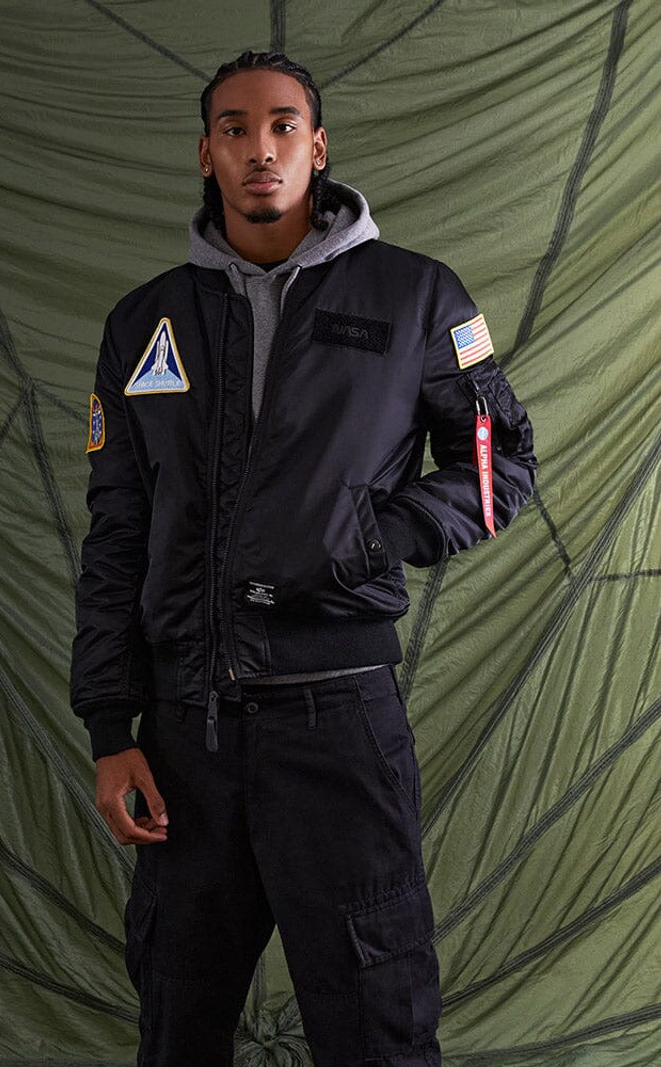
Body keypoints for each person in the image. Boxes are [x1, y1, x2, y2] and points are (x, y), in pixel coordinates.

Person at [70, 50, 536, 1067]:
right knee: (177, 1023)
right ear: (204, 153)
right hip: (185, 737)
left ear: (318, 147)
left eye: (283, 125)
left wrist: (373, 535)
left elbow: (497, 465)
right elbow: (115, 534)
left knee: (375, 1022)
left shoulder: (417, 297)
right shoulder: (144, 323)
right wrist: (110, 724)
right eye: (234, 128)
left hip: (339, 728)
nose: (261, 148)